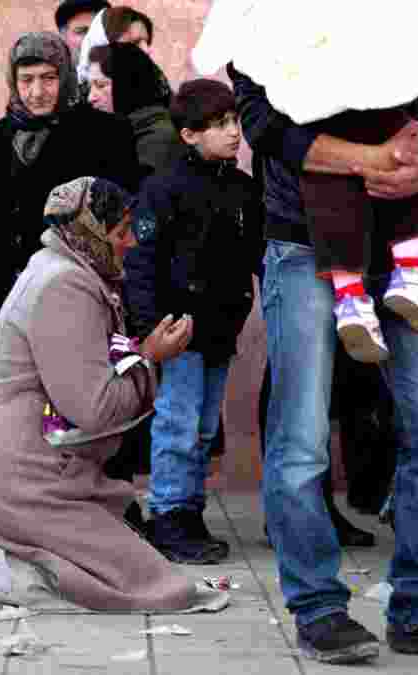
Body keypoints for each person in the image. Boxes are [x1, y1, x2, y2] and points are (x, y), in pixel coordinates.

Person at [230, 57, 418, 662]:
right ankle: (319, 608)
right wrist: (371, 160)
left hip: (410, 248)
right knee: (301, 439)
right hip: (304, 246)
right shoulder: (266, 21)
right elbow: (268, 128)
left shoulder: (404, 18)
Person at [0, 176, 207, 612]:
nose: (131, 242)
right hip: (17, 477)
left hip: (23, 467)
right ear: (90, 233)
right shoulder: (65, 285)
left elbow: (81, 370)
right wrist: (151, 358)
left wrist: (140, 354)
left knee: (130, 553)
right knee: (163, 588)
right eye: (121, 232)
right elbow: (95, 408)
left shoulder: (63, 268)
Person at [0, 32, 142, 406]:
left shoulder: (106, 134)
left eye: (48, 78)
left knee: (72, 406)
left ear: (66, 77)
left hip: (73, 294)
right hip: (5, 297)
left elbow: (118, 224)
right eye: (26, 80)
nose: (36, 91)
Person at [123, 79, 261, 565]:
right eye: (219, 125)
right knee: (177, 424)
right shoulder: (163, 188)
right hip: (178, 330)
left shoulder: (242, 189)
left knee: (203, 428)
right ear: (188, 135)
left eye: (234, 122)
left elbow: (254, 255)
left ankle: (189, 510)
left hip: (220, 329)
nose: (232, 133)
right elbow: (139, 261)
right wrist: (149, 329)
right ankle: (168, 515)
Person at [86, 42, 184, 174]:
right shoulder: (117, 130)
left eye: (101, 85)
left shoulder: (157, 139)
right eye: (89, 86)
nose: (91, 97)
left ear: (128, 84)